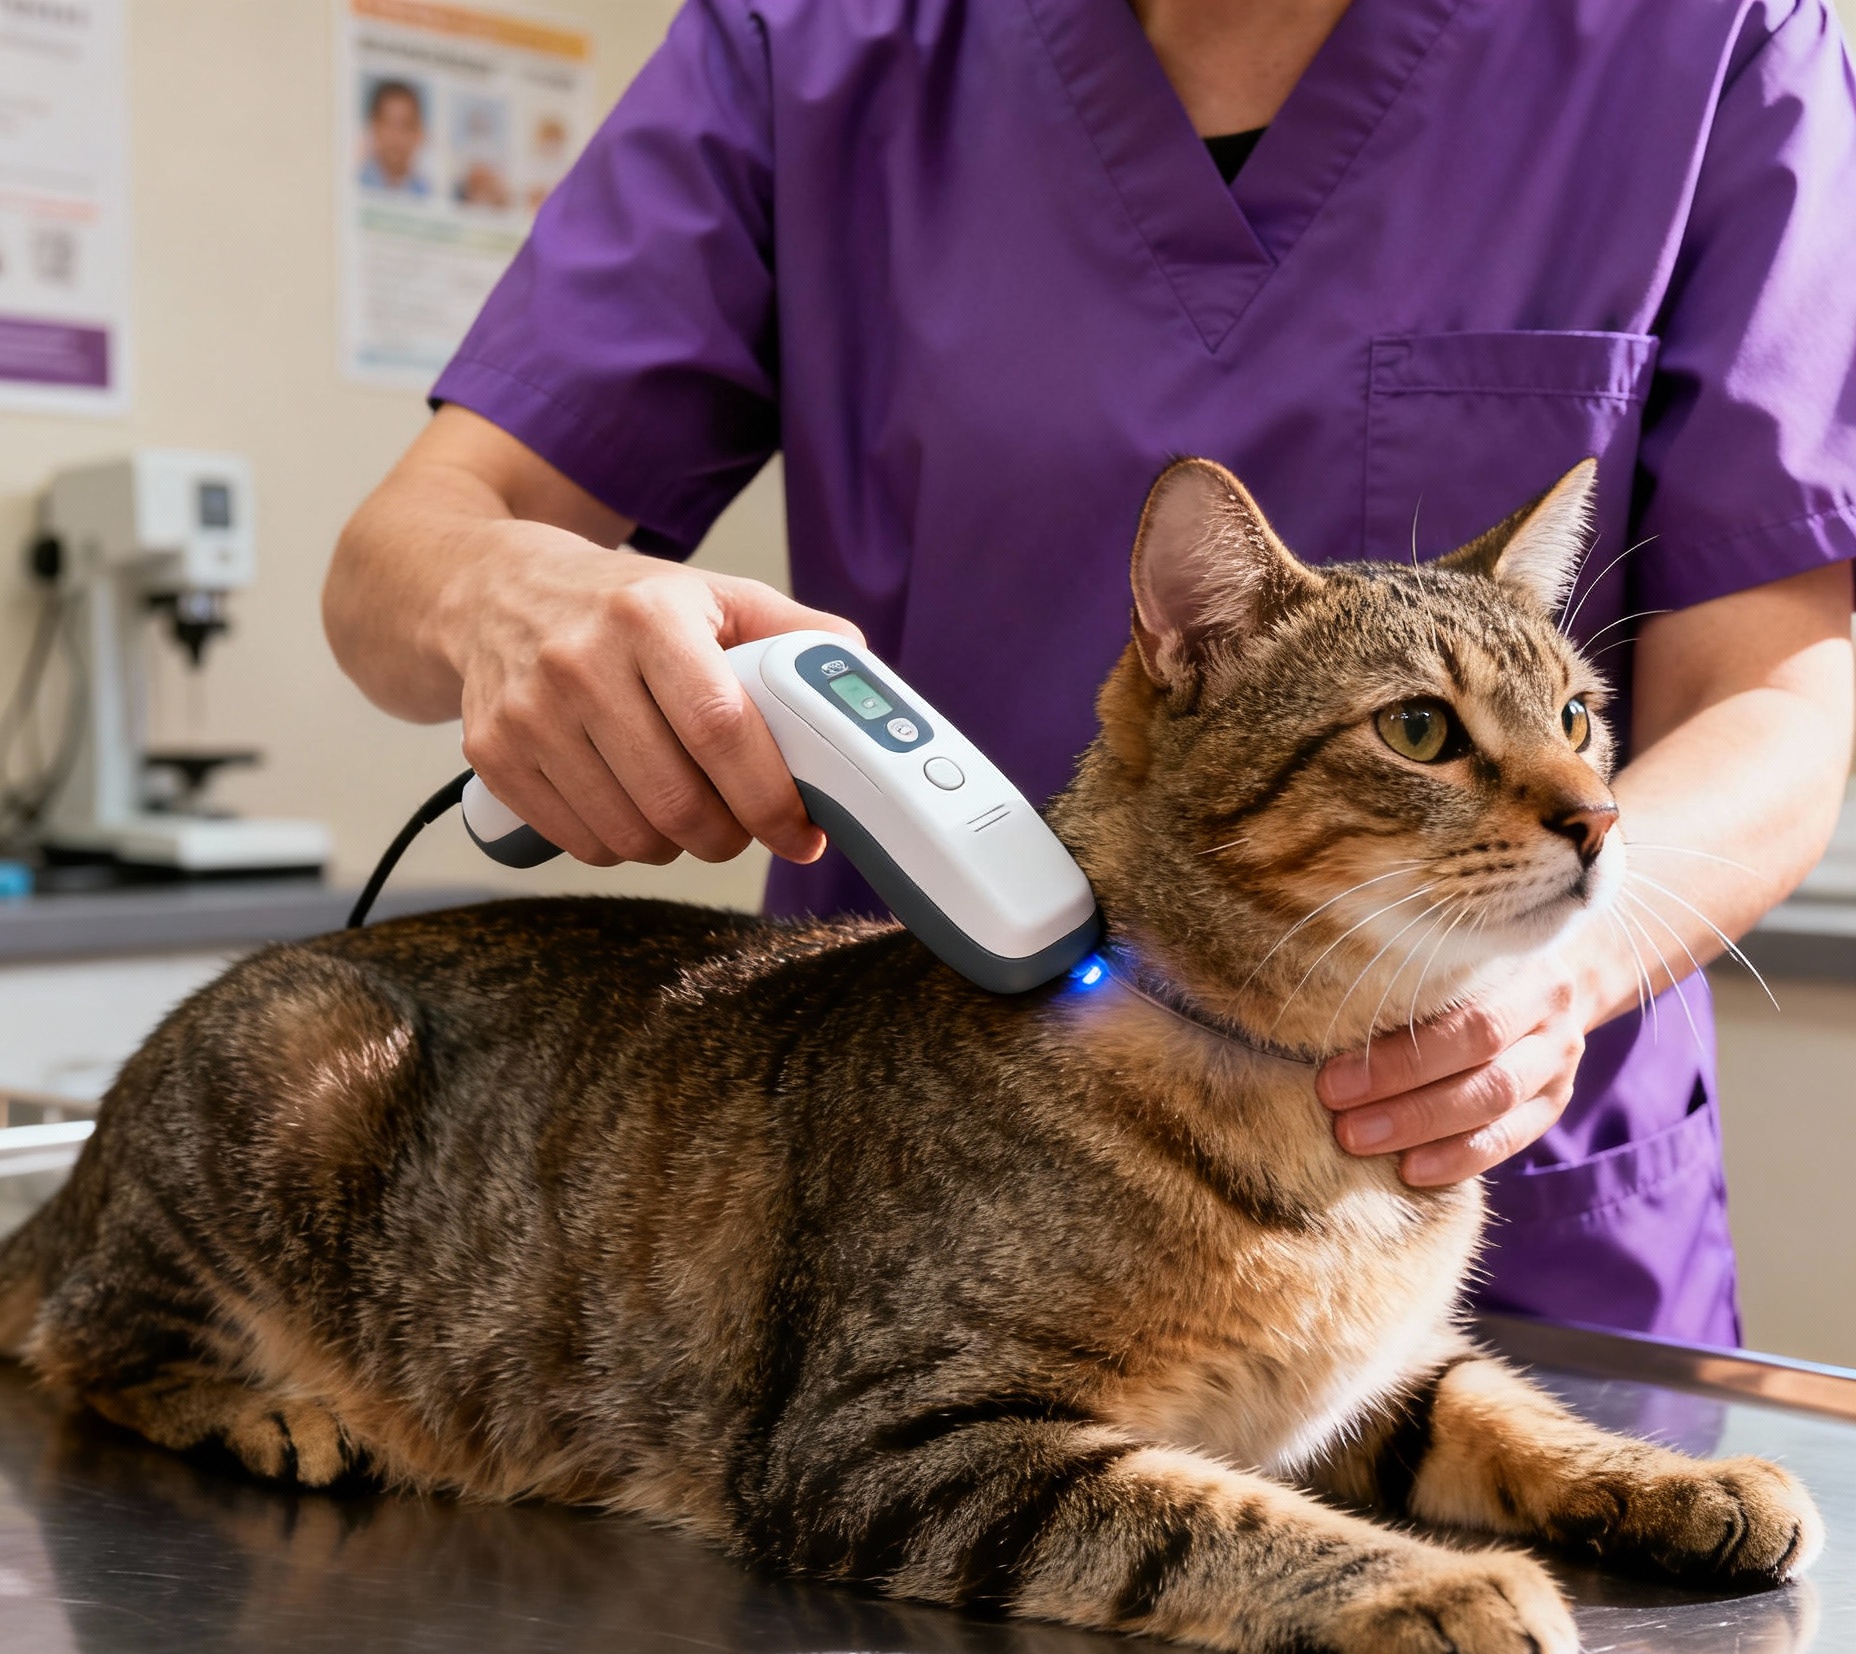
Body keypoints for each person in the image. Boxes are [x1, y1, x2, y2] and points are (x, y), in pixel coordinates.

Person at [324, 0, 1856, 1347]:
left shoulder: (1709, 40)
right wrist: (510, 592)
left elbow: (1783, 695)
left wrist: (1549, 986)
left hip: (1488, 1216)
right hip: (931, 1221)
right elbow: (398, 558)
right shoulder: (810, 47)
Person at [360, 78, 430, 196]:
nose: (397, 137)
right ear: (374, 128)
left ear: (419, 134)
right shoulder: (357, 182)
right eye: (389, 125)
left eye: (406, 125)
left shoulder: (426, 192)